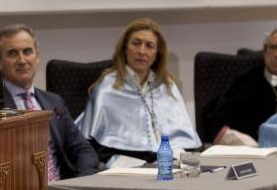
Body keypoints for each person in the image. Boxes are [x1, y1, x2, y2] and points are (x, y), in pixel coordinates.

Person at [0, 24, 98, 180]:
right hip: (17, 189)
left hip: (62, 188)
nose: (22, 60)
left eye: (27, 52)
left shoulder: (54, 101)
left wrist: (80, 183)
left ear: (37, 56)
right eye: (13, 53)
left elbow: (83, 150)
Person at [76, 18, 201, 163]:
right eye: (136, 43)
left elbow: (183, 140)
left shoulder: (168, 86)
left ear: (157, 54)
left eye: (149, 46)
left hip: (168, 162)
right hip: (124, 165)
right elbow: (99, 147)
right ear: (125, 49)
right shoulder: (107, 87)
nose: (142, 51)